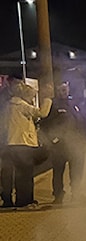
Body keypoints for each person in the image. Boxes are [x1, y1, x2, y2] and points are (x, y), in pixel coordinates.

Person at [1, 77, 51, 208]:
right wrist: (47, 99)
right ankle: (25, 201)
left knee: (17, 174)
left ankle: (15, 200)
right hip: (23, 144)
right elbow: (42, 113)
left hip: (11, 144)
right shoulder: (21, 105)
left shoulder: (8, 106)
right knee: (25, 175)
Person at [43, 82, 81, 204]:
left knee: (75, 172)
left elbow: (80, 121)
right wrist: (52, 139)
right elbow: (45, 123)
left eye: (64, 90)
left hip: (73, 143)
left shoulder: (73, 104)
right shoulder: (53, 104)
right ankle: (58, 196)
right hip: (59, 145)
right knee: (58, 171)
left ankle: (76, 194)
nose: (62, 92)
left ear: (68, 90)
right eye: (60, 90)